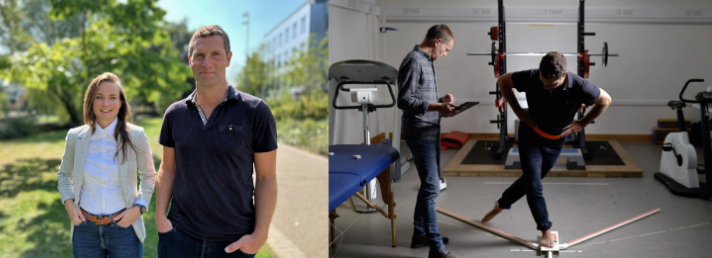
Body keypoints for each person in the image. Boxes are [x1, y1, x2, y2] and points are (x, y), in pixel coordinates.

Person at [155, 25, 278, 258]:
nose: (207, 63)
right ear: (190, 60)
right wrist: (161, 217)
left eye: (215, 55)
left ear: (228, 59)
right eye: (199, 56)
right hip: (179, 238)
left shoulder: (256, 112)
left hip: (233, 243)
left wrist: (260, 235)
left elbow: (266, 177)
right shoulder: (174, 114)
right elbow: (168, 168)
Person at [481, 52, 612, 248]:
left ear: (564, 75)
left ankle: (501, 204)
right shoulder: (531, 76)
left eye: (551, 84)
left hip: (555, 142)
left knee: (530, 181)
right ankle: (545, 229)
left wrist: (582, 123)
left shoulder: (579, 86)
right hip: (530, 136)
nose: (545, 87)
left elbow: (606, 100)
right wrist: (517, 111)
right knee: (534, 185)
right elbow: (503, 81)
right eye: (543, 82)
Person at [57, 72, 157, 258]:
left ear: (120, 103)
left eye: (112, 98)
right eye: (99, 97)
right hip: (84, 231)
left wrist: (139, 208)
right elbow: (64, 175)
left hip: (124, 229)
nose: (105, 104)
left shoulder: (136, 135)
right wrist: (69, 204)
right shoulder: (75, 137)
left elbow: (149, 176)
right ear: (90, 102)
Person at [397, 24, 459, 258]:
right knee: (432, 186)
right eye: (446, 50)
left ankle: (419, 234)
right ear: (437, 42)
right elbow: (404, 101)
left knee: (427, 184)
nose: (445, 55)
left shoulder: (426, 61)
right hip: (419, 132)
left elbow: (420, 97)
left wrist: (441, 100)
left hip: (430, 130)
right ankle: (436, 247)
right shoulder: (414, 60)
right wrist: (437, 106)